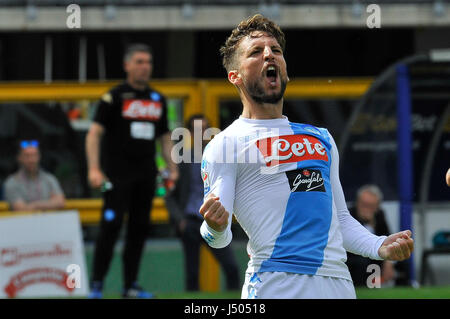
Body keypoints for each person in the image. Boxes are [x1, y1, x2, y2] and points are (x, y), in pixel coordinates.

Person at [198, 14, 414, 299]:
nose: (269, 55)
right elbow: (217, 237)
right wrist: (214, 224)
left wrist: (379, 245)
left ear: (285, 70)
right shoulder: (225, 144)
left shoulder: (320, 137)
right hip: (276, 284)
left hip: (338, 284)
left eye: (276, 51)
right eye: (255, 52)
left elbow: (340, 219)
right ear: (234, 76)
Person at [85, 43, 178, 299]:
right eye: (139, 61)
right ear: (127, 65)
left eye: (148, 62)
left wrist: (172, 168)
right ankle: (97, 284)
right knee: (110, 227)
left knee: (139, 228)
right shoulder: (113, 97)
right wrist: (94, 169)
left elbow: (165, 137)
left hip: (146, 176)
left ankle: (130, 286)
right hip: (115, 176)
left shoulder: (157, 99)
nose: (144, 66)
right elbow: (94, 134)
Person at [165, 114, 240, 291]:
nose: (202, 133)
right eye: (197, 130)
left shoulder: (220, 158)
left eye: (205, 129)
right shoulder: (181, 159)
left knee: (231, 267)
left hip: (214, 220)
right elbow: (169, 195)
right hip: (190, 221)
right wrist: (180, 220)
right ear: (190, 132)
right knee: (192, 274)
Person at [346, 185, 396, 286]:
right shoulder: (349, 214)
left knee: (400, 262)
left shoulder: (379, 215)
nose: (367, 209)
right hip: (353, 256)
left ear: (377, 207)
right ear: (358, 202)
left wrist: (389, 262)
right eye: (364, 204)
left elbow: (387, 238)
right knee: (362, 263)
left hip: (375, 255)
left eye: (371, 206)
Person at [4, 140, 65, 212]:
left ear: (39, 157)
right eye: (27, 156)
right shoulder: (12, 182)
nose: (31, 160)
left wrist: (33, 205)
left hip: (49, 222)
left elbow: (60, 202)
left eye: (34, 155)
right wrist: (50, 203)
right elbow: (21, 209)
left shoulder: (49, 179)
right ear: (19, 158)